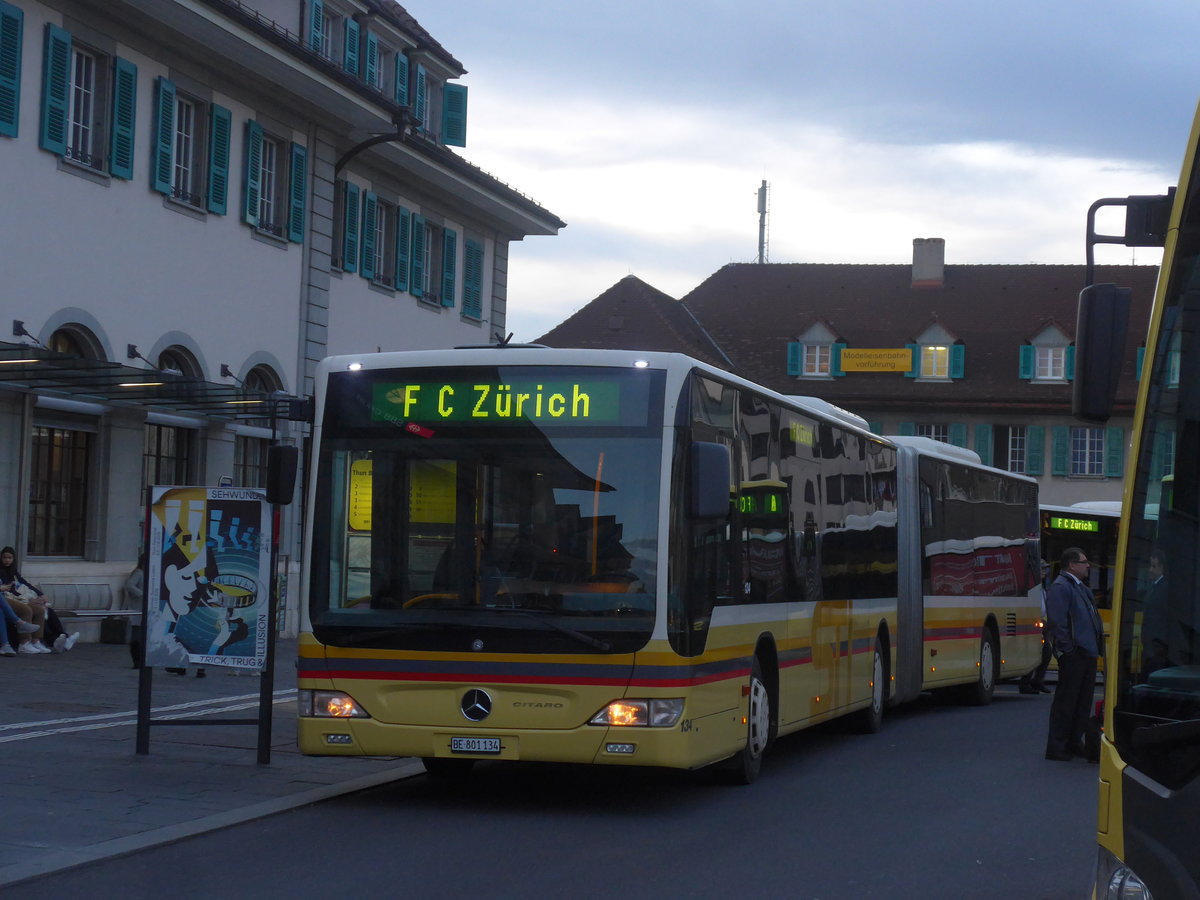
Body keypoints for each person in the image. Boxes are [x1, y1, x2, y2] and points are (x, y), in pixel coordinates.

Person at [1044, 547, 1104, 762]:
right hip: (1075, 654)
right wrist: (1068, 649)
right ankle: (1058, 746)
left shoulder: (1081, 587)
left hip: (1087, 654)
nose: (1088, 565)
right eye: (1084, 561)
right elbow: (1057, 622)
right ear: (1071, 565)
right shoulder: (1061, 587)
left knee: (1082, 702)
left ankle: (1073, 741)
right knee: (1066, 702)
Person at [0, 545, 52, 654]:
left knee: (39, 610)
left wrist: (40, 594)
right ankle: (23, 643)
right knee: (26, 609)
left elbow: (24, 583)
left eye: (10, 558)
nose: (7, 560)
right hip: (6, 597)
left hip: (17, 597)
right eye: (5, 558)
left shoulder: (13, 571)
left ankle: (35, 641)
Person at [1019, 560, 1054, 694]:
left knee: (1045, 653)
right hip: (1033, 625)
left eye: (1046, 569)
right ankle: (1026, 682)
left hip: (1041, 624)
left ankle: (1037, 681)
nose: (1045, 572)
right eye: (1042, 569)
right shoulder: (1030, 588)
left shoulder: (1041, 588)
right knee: (1035, 653)